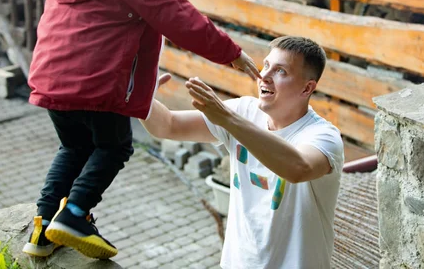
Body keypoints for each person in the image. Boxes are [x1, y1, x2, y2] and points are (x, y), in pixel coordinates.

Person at [22, 0, 260, 260]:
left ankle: (42, 229)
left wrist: (143, 79)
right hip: (99, 88)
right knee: (114, 148)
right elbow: (183, 21)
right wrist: (231, 53)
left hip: (51, 78)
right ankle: (75, 214)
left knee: (74, 147)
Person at [141, 36, 345, 269]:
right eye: (266, 65)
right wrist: (138, 95)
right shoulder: (243, 111)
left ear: (307, 88)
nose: (264, 76)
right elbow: (168, 125)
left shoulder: (324, 136)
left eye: (281, 71)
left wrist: (227, 119)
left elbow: (298, 168)